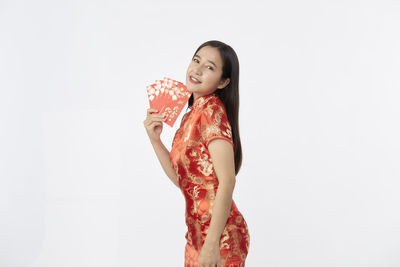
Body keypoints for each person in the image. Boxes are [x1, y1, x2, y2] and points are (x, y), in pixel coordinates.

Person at [143, 40, 250, 267]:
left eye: (210, 67)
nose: (198, 70)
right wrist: (155, 141)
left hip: (220, 238)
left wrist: (212, 244)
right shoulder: (190, 115)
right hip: (196, 237)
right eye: (196, 60)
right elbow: (184, 180)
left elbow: (228, 181)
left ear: (223, 81)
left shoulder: (212, 111)